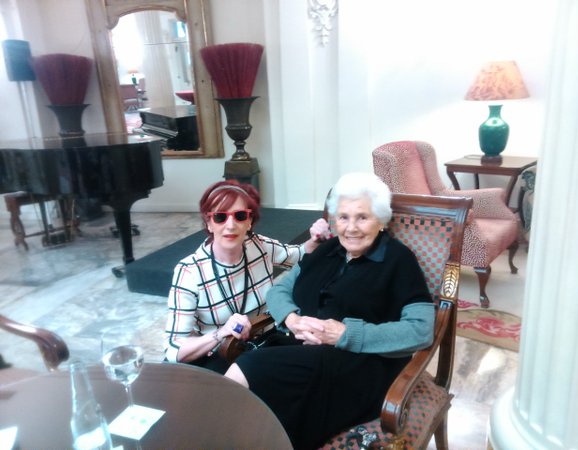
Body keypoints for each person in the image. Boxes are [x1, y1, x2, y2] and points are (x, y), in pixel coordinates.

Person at [224, 173, 435, 449]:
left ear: (381, 220)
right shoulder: (328, 250)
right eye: (343, 217)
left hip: (357, 365)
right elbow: (277, 291)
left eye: (362, 217)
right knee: (250, 404)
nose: (351, 228)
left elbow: (421, 329)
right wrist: (292, 318)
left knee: (247, 369)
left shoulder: (398, 259)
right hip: (299, 349)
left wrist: (345, 335)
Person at [164, 180, 330, 373]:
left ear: (249, 221)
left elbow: (298, 255)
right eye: (220, 217)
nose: (230, 225)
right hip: (219, 353)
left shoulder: (258, 245)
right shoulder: (190, 272)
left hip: (263, 342)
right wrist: (221, 333)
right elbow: (174, 349)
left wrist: (316, 238)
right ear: (209, 223)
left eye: (240, 216)